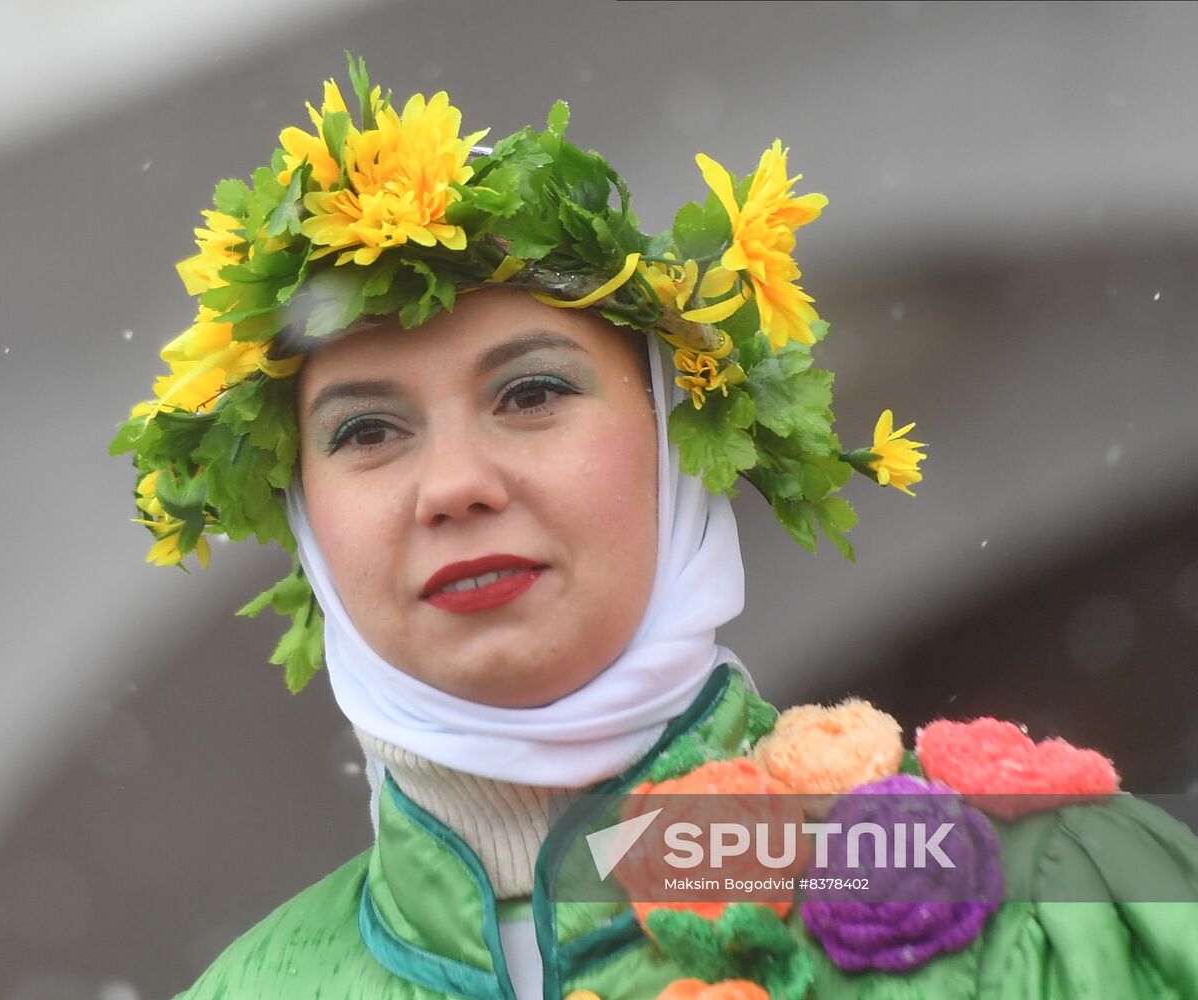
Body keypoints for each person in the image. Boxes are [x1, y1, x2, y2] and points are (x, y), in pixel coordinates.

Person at [113, 57, 1198, 1000]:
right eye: (365, 431)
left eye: (531, 394)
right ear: (304, 517)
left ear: (678, 445)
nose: (451, 484)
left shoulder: (1051, 896)